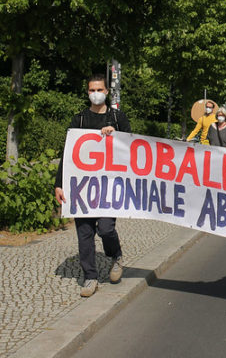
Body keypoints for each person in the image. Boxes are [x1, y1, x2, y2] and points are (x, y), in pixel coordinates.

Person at [54, 74, 131, 297]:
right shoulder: (78, 120)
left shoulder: (118, 118)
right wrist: (60, 184)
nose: (95, 93)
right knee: (84, 233)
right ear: (87, 93)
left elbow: (131, 147)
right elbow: (67, 154)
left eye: (99, 89)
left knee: (106, 229)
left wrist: (116, 136)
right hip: (83, 188)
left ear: (107, 92)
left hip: (109, 187)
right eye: (91, 90)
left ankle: (115, 256)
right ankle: (90, 277)